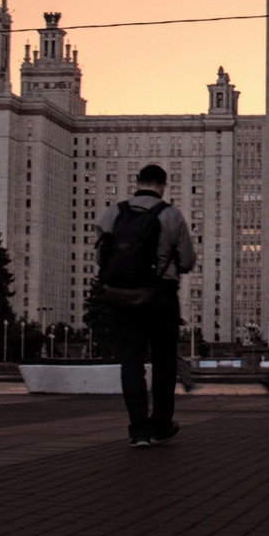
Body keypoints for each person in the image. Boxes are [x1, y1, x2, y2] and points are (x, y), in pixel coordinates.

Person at [97, 163, 197, 446]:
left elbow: (102, 258)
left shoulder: (113, 213)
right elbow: (187, 261)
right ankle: (161, 426)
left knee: (131, 363)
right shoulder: (171, 214)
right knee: (164, 362)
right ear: (163, 186)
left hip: (123, 297)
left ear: (137, 182)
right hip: (161, 296)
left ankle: (139, 430)